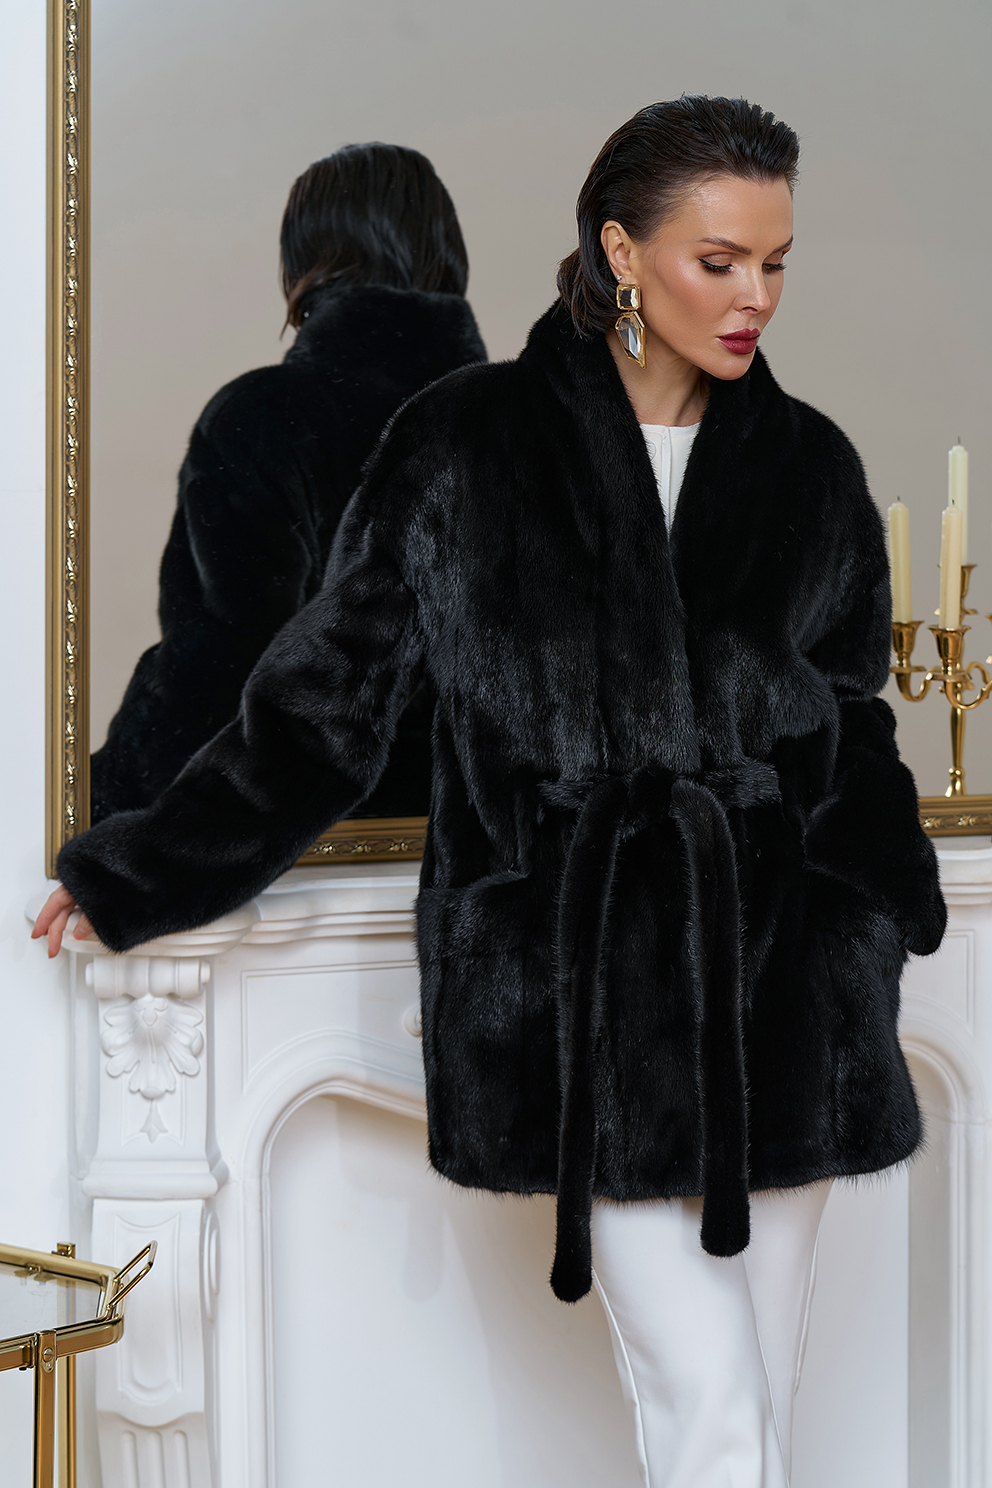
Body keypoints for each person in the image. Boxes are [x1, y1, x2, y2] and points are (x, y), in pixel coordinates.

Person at [37, 97, 946, 1488]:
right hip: (582, 991)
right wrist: (137, 870)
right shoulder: (464, 447)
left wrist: (882, 904)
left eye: (775, 263)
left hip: (787, 995)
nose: (755, 297)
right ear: (622, 252)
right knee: (711, 1410)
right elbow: (322, 705)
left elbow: (846, 715)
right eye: (718, 261)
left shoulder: (807, 465)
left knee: (749, 1402)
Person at [90, 142, 486, 822]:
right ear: (446, 255)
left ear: (304, 262)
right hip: (495, 853)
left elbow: (222, 667)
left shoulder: (264, 418)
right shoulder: (535, 422)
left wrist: (91, 806)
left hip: (315, 852)